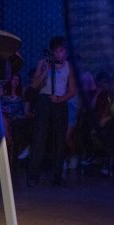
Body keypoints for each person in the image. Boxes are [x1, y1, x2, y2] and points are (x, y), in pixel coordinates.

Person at [26, 36, 77, 187]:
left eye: (63, 51)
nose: (61, 54)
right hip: (44, 102)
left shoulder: (70, 66)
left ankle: (57, 176)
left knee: (59, 140)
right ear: (53, 52)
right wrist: (44, 72)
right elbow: (34, 85)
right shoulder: (43, 63)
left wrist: (60, 100)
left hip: (59, 103)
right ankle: (33, 175)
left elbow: (72, 90)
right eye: (58, 51)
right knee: (39, 138)